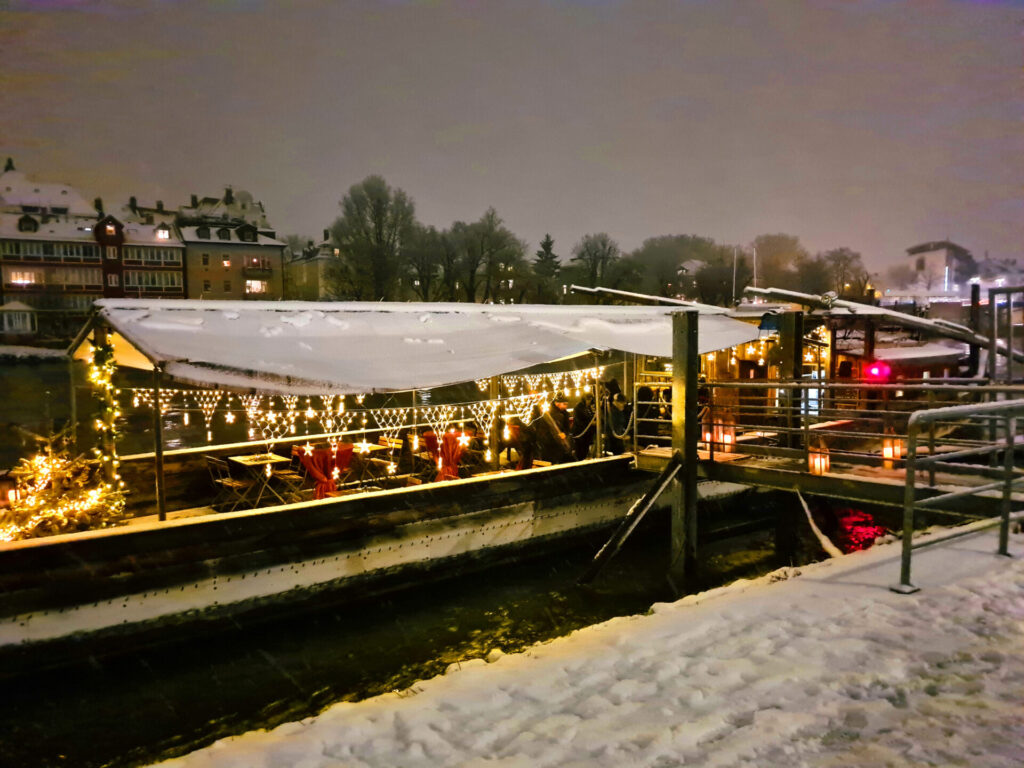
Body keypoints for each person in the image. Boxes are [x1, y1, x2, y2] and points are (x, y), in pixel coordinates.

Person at [570, 392, 596, 460]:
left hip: (586, 433)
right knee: (580, 451)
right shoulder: (579, 407)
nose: (589, 402)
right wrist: (590, 423)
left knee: (585, 449)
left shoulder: (587, 407)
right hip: (581, 432)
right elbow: (580, 420)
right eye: (588, 400)